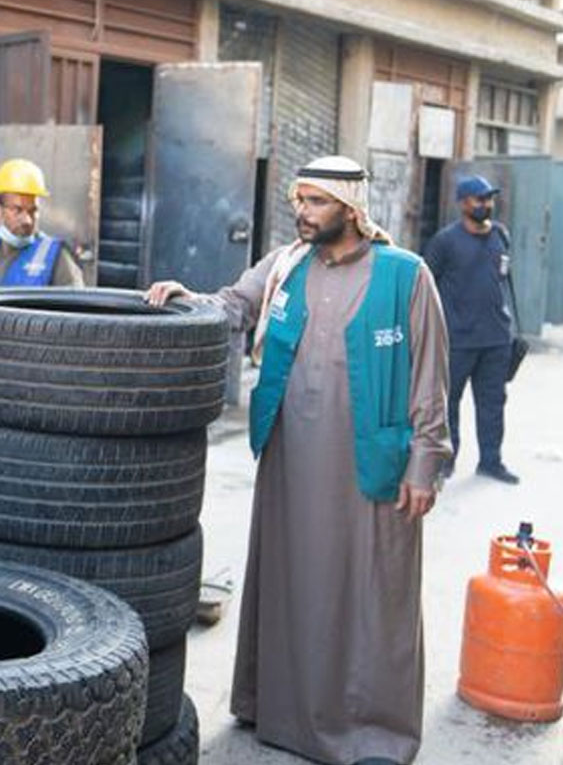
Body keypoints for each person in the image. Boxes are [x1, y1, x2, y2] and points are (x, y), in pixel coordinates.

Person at [146, 155, 451, 765]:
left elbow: (430, 374)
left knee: (372, 594)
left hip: (374, 462)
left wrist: (426, 461)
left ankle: (375, 735)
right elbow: (233, 304)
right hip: (291, 454)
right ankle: (278, 713)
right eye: (299, 202)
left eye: (315, 203)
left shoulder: (405, 275)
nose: (302, 214)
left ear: (351, 208)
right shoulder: (285, 266)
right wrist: (185, 297)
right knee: (293, 581)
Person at [422, 175, 519, 484]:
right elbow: (426, 284)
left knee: (493, 403)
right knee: (448, 404)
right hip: (457, 339)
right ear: (463, 203)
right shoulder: (445, 241)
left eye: (489, 199)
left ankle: (491, 461)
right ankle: (446, 463)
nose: (486, 204)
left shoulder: (500, 235)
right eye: (480, 199)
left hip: (496, 339)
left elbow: (503, 280)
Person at [0, 158, 84, 288]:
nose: (27, 220)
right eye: (17, 210)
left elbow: (76, 304)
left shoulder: (57, 257)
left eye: (33, 211)